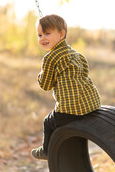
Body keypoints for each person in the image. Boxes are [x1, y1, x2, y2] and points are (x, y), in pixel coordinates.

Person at [31, 14, 101, 160]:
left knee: (48, 122)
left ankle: (46, 151)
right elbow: (85, 72)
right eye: (39, 35)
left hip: (70, 109)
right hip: (92, 103)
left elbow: (45, 85)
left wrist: (40, 75)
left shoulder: (50, 58)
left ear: (61, 34)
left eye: (47, 33)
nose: (43, 38)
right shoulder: (77, 54)